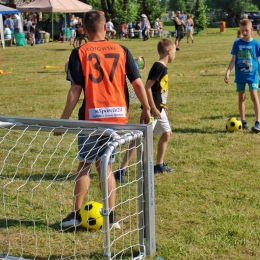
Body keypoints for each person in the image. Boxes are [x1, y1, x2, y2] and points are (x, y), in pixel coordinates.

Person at [55, 10, 151, 229]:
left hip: (92, 116)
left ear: (85, 30)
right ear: (105, 28)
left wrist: (63, 120)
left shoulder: (79, 52)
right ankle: (111, 216)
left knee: (85, 164)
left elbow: (76, 89)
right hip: (117, 117)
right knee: (105, 165)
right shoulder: (122, 49)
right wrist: (146, 108)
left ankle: (76, 215)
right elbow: (137, 82)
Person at [115, 39, 176, 183]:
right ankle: (121, 170)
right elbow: (147, 87)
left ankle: (159, 165)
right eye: (174, 51)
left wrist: (162, 105)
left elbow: (158, 90)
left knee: (167, 134)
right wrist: (153, 108)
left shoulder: (163, 68)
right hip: (152, 111)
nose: (175, 55)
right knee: (139, 139)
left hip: (159, 109)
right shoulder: (158, 67)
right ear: (168, 51)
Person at [224, 19, 260, 133]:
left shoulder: (256, 44)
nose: (244, 33)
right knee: (241, 97)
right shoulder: (237, 43)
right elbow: (233, 60)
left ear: (252, 30)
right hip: (240, 75)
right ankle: (243, 121)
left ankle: (258, 122)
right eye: (242, 31)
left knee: (254, 96)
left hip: (252, 75)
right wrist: (228, 72)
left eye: (246, 30)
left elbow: (259, 60)